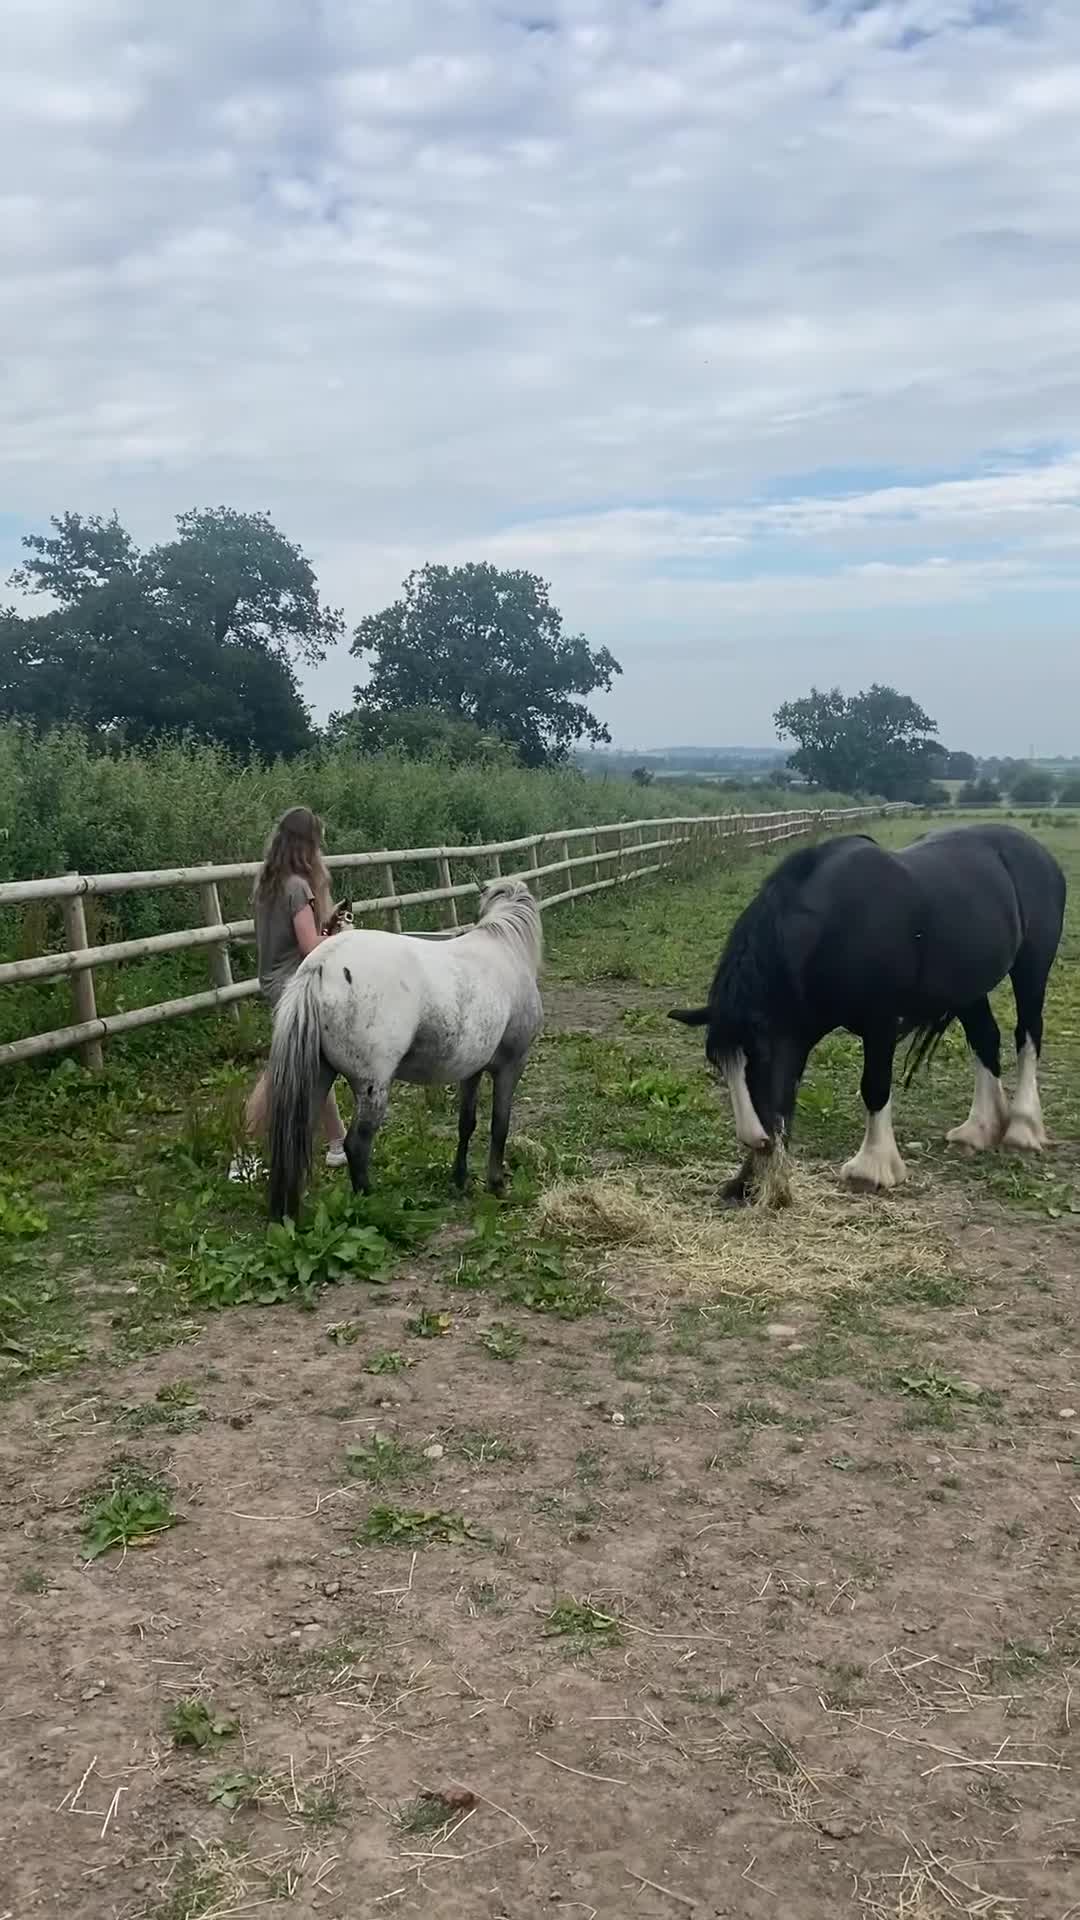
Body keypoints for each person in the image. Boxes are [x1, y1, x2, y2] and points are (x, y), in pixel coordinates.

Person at [231, 806, 347, 1178]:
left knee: (316, 1060)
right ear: (306, 844)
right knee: (280, 1069)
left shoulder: (268, 881)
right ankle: (244, 1152)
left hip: (272, 977)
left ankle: (337, 1141)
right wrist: (335, 935)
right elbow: (311, 946)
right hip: (293, 983)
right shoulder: (298, 886)